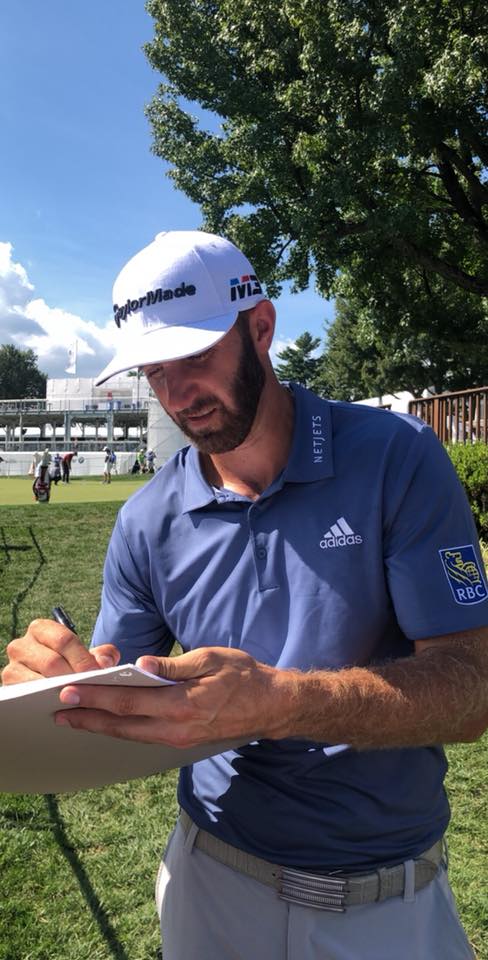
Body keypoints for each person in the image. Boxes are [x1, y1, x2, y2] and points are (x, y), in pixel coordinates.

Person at [3, 230, 488, 960]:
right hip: (210, 884)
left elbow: (471, 687)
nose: (177, 396)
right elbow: (107, 695)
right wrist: (47, 690)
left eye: (195, 357)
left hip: (388, 901)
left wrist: (281, 701)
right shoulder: (147, 519)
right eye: (154, 372)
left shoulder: (396, 456)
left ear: (260, 328)